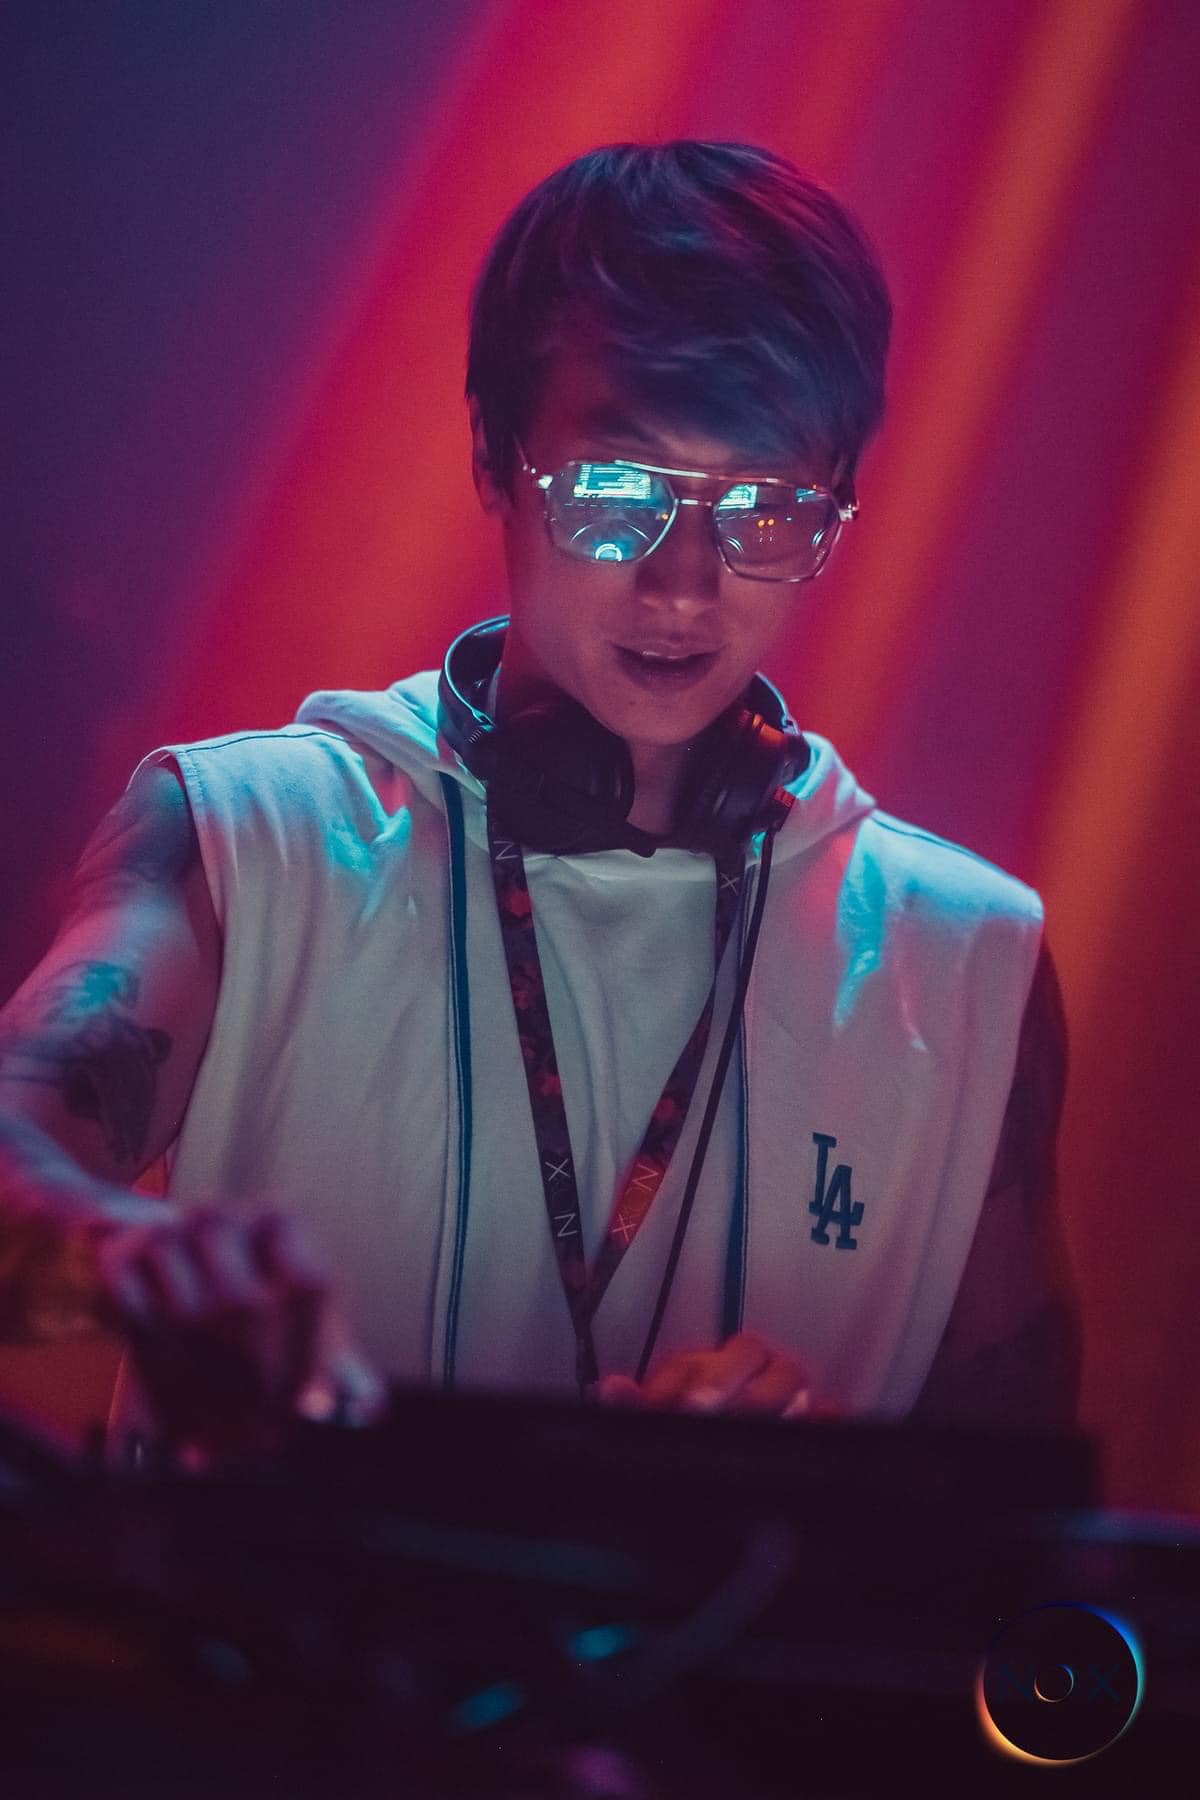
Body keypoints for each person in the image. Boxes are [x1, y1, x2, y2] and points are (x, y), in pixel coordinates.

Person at [0, 141, 1080, 1458]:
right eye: (618, 492)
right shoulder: (243, 837)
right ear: (494, 462)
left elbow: (1026, 1509)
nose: (684, 584)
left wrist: (818, 1487)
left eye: (763, 507)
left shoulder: (965, 968)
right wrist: (124, 1253)